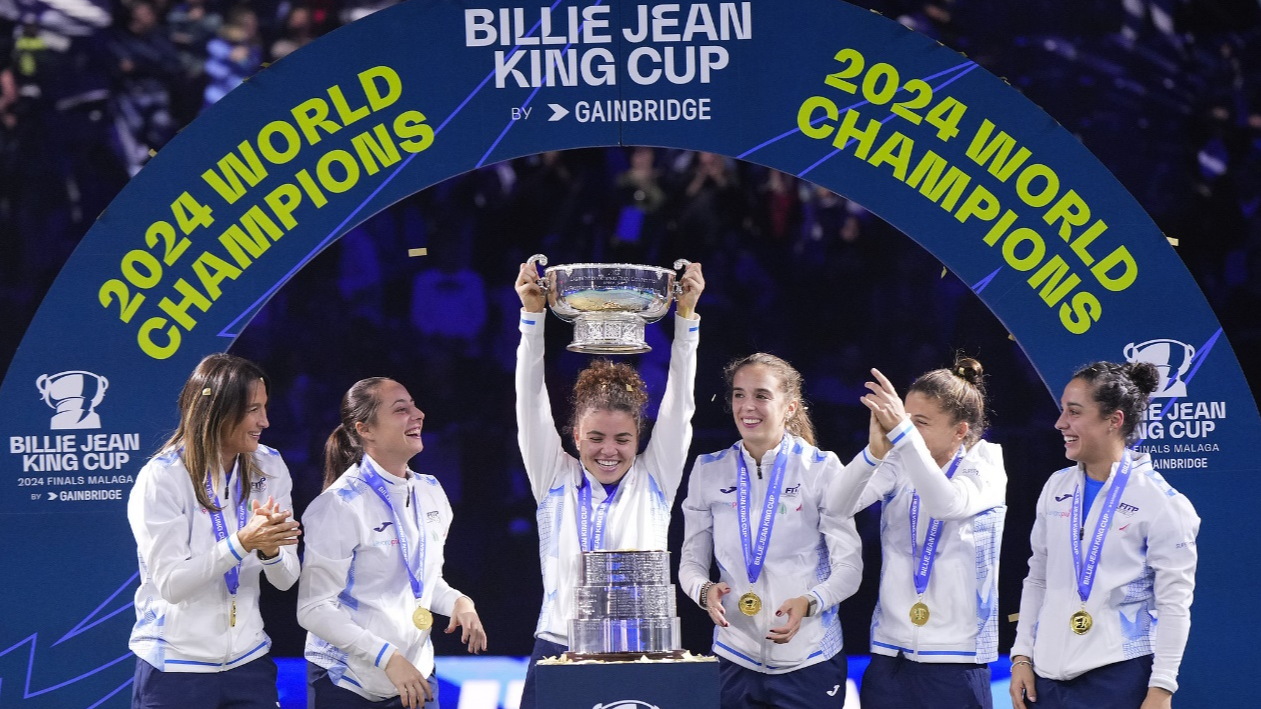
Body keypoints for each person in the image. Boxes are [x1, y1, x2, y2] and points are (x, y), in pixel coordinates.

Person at [513, 259, 704, 709]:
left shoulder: (655, 479)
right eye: (595, 438)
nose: (608, 451)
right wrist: (532, 318)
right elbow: (529, 401)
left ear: (640, 439)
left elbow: (681, 404)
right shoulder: (554, 476)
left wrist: (687, 315)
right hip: (559, 646)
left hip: (639, 652)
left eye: (623, 439)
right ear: (575, 435)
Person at [679, 353, 891, 708]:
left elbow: (850, 570)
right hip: (735, 657)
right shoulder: (708, 470)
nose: (747, 406)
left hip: (809, 660)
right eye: (739, 394)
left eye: (761, 395)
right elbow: (690, 562)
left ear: (790, 407)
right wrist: (703, 591)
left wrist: (810, 602)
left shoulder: (821, 469)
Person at [1009, 362, 1200, 709]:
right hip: (1046, 680)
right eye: (1062, 410)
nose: (1060, 423)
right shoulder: (1056, 486)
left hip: (1117, 679)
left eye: (1074, 412)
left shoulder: (1163, 503)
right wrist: (1022, 655)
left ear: (1114, 420)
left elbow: (1175, 605)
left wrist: (1161, 688)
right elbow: (1037, 579)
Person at [299, 377, 487, 709]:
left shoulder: (431, 492)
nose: (419, 414)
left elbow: (422, 583)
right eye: (401, 409)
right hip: (346, 681)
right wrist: (387, 657)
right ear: (365, 429)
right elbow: (314, 609)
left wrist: (460, 602)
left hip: (415, 674)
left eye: (414, 405)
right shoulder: (339, 505)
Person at [829, 359, 1007, 709]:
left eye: (920, 423)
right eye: (904, 419)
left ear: (959, 431)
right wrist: (874, 453)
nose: (903, 430)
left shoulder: (986, 464)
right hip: (889, 655)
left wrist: (903, 438)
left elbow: (947, 503)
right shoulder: (898, 460)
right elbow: (836, 506)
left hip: (957, 660)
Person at [127, 353, 301, 709]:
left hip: (249, 664)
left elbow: (286, 580)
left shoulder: (270, 466)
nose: (265, 421)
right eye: (254, 409)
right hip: (175, 669)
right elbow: (172, 585)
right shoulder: (162, 478)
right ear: (218, 410)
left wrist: (269, 550)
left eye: (264, 408)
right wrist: (242, 543)